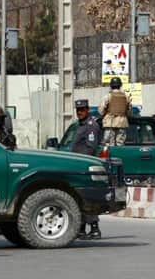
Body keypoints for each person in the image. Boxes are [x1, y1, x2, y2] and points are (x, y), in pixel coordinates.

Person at [71, 99, 102, 240]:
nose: (80, 112)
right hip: (78, 166)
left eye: (82, 110)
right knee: (79, 198)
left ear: (87, 110)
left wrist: (81, 163)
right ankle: (82, 229)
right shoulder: (80, 125)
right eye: (78, 110)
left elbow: (90, 148)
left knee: (87, 199)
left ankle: (95, 228)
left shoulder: (91, 126)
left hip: (85, 167)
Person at [98, 76, 131, 145]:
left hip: (110, 123)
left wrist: (105, 114)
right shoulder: (126, 97)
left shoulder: (107, 96)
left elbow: (101, 111)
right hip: (122, 123)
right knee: (120, 145)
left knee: (109, 145)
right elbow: (129, 111)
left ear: (111, 86)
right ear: (120, 85)